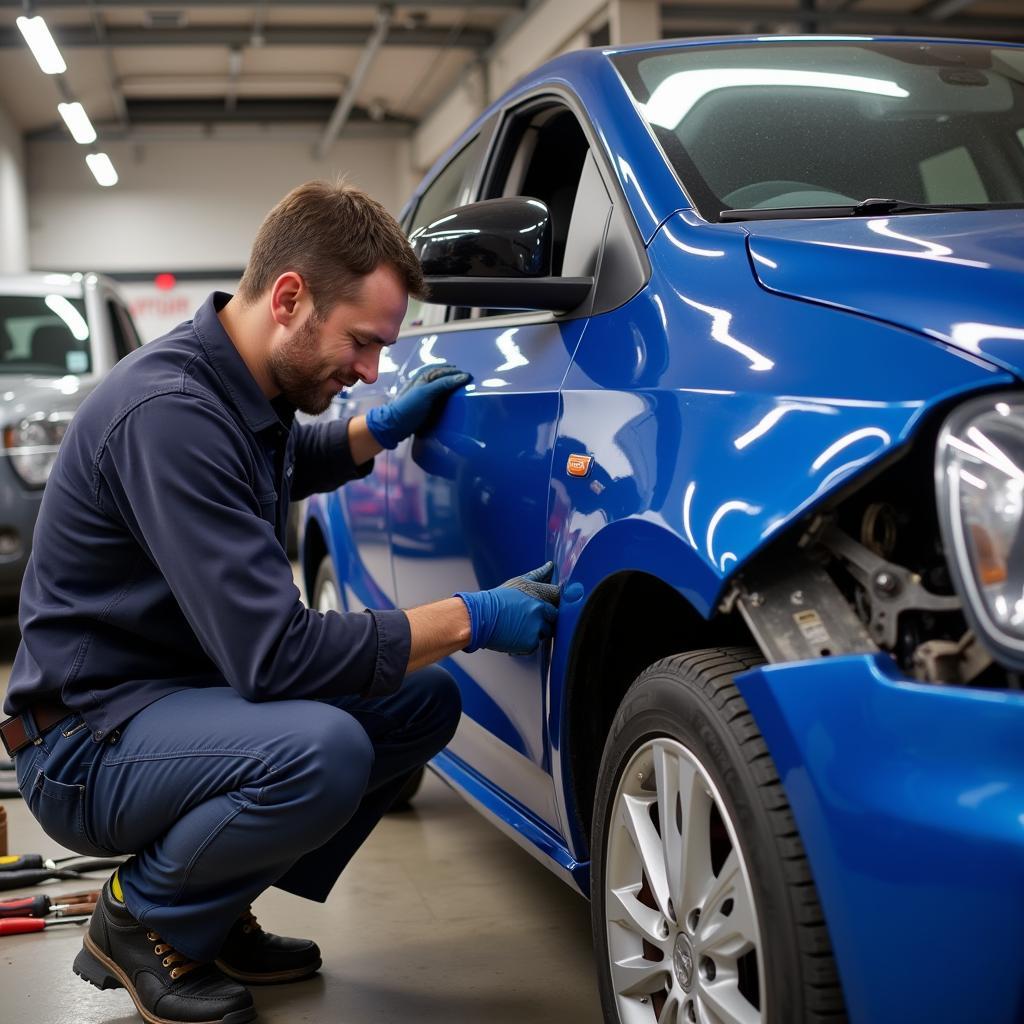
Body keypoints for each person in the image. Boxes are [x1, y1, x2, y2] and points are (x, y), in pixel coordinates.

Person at [0, 181, 560, 1024]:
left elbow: (282, 453)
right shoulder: (171, 413)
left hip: (169, 701)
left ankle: (210, 910)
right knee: (321, 748)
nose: (372, 371)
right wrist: (468, 618)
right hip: (82, 738)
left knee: (420, 701)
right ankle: (145, 920)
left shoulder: (235, 387)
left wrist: (378, 429)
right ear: (290, 297)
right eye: (363, 344)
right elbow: (275, 658)